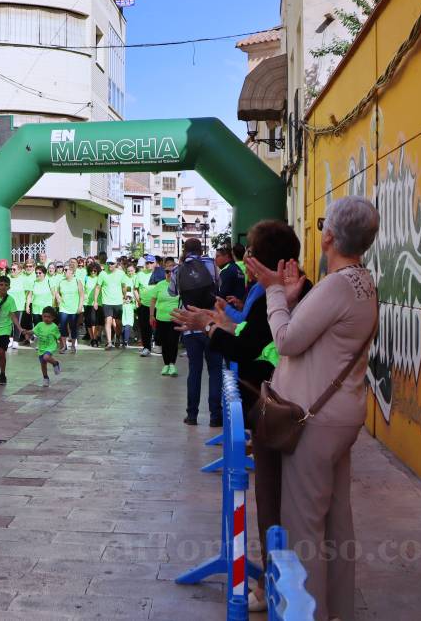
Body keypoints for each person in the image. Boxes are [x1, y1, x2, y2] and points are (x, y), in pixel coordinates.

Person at [247, 195, 380, 621]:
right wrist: (289, 298)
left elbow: (286, 340)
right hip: (340, 415)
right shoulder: (363, 282)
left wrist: (273, 292)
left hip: (315, 421)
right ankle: (337, 610)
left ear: (329, 237)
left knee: (303, 525)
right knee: (337, 522)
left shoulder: (337, 285)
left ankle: (309, 614)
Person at [170, 220, 309, 612]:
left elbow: (253, 348)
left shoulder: (282, 295)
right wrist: (221, 322)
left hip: (280, 410)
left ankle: (277, 585)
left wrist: (209, 327)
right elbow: (254, 336)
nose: (245, 261)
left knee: (276, 504)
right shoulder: (283, 292)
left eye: (251, 254)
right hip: (282, 408)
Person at [172, 238, 223, 426]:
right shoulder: (211, 264)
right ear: (201, 250)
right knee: (215, 369)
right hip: (211, 323)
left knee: (194, 370)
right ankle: (215, 416)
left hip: (190, 326)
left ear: (185, 250)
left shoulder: (178, 269)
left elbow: (172, 292)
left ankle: (192, 415)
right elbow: (219, 285)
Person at [149, 257, 181, 376]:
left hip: (175, 319)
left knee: (173, 342)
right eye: (167, 272)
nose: (169, 274)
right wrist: (151, 315)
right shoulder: (160, 285)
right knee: (164, 343)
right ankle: (166, 364)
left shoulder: (179, 285)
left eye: (172, 272)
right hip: (161, 319)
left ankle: (172, 364)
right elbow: (153, 300)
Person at [55, 262, 83, 353]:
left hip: (74, 308)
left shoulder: (77, 281)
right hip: (63, 308)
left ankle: (73, 346)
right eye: (64, 269)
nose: (64, 271)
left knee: (73, 327)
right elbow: (57, 292)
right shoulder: (61, 281)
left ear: (72, 271)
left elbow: (81, 295)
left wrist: (80, 306)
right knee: (63, 326)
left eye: (66, 270)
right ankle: (64, 346)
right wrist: (58, 299)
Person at [98, 260, 126, 350]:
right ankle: (109, 342)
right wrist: (95, 301)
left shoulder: (121, 273)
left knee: (118, 323)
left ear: (116, 264)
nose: (110, 265)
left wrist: (125, 296)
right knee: (108, 321)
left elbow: (124, 286)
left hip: (118, 302)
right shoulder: (102, 273)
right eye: (108, 263)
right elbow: (98, 287)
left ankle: (117, 338)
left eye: (112, 263)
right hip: (107, 302)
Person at [32, 306, 63, 387]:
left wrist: (62, 345)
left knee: (46, 357)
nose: (46, 318)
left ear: (53, 318)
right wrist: (27, 332)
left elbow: (59, 336)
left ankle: (55, 363)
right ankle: (45, 378)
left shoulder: (54, 327)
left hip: (50, 346)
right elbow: (33, 331)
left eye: (49, 317)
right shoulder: (40, 325)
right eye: (44, 316)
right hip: (41, 347)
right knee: (43, 364)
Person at [134, 258, 155, 356]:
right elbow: (135, 289)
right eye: (147, 262)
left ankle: (159, 346)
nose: (149, 264)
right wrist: (139, 300)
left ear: (154, 263)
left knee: (158, 328)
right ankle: (146, 347)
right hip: (144, 305)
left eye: (151, 262)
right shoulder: (140, 274)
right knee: (145, 327)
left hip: (158, 305)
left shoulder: (159, 274)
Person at [84, 262, 103, 347]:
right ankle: (92, 339)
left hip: (98, 303)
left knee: (95, 322)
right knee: (89, 322)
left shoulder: (99, 278)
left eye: (95, 271)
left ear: (97, 271)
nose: (93, 272)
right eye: (91, 270)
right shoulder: (86, 278)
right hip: (87, 303)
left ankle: (95, 338)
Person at [121, 265, 139, 348]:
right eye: (128, 271)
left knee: (135, 322)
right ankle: (125, 340)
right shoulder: (124, 277)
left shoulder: (137, 277)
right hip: (127, 303)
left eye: (131, 271)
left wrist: (137, 301)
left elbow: (137, 289)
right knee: (126, 322)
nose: (130, 272)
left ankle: (134, 337)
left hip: (135, 302)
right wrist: (125, 298)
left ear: (135, 270)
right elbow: (123, 289)